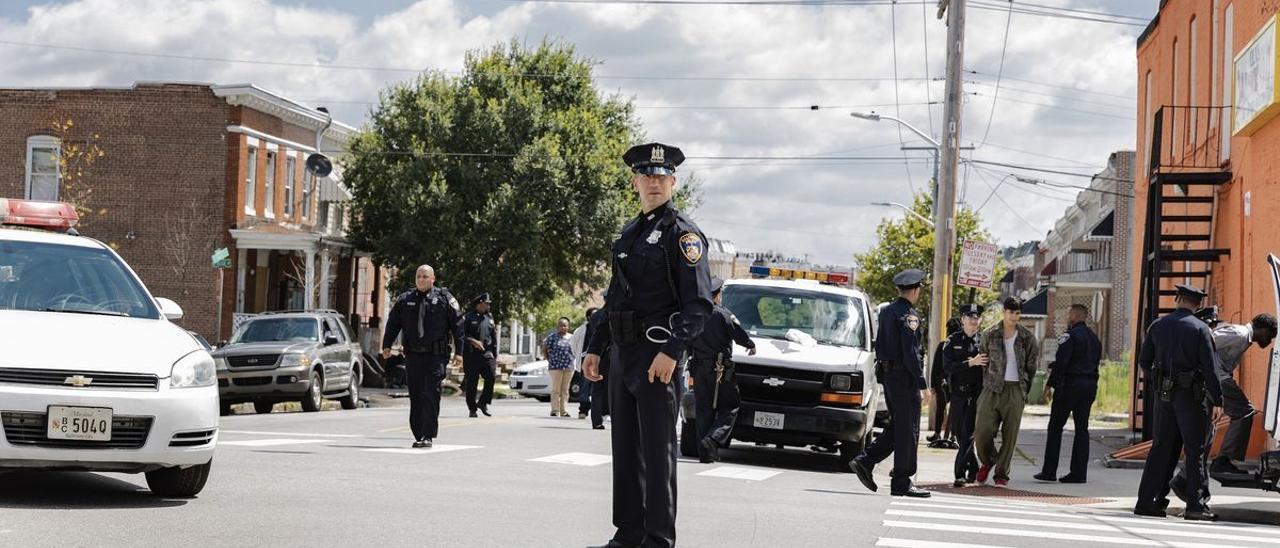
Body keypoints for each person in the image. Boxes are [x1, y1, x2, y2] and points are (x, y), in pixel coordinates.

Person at [582, 142, 713, 548]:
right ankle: (629, 532)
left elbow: (699, 306)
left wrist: (672, 352)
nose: (654, 183)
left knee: (658, 455)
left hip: (658, 356)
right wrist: (595, 346)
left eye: (662, 176)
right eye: (647, 176)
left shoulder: (684, 235)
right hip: (623, 354)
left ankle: (658, 539)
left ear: (673, 181)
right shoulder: (630, 233)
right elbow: (615, 297)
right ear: (635, 181)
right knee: (625, 451)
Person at [1133, 284, 1223, 521]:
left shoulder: (1157, 326)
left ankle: (1148, 501)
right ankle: (1196, 505)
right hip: (1192, 398)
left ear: (1177, 299)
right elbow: (1211, 369)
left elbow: (1144, 361)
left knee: (1161, 448)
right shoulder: (1201, 329)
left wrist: (1159, 381)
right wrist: (1218, 399)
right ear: (1198, 304)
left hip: (1164, 396)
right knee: (1195, 450)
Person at [1168, 312, 1277, 496]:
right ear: (1263, 329)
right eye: (1271, 335)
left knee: (1206, 433)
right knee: (1245, 412)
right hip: (1217, 379)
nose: (1270, 340)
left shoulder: (1244, 338)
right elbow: (1206, 341)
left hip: (1213, 379)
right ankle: (1224, 460)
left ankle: (1183, 479)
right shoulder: (1240, 334)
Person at [848, 268, 931, 498]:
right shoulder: (909, 316)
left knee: (899, 427)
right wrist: (922, 383)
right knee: (909, 430)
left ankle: (866, 461)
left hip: (890, 377)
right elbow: (911, 353)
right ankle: (902, 481)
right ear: (915, 290)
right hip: (905, 379)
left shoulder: (886, 312)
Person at [381, 265, 463, 449]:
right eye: (418, 276)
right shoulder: (405, 300)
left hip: (436, 356)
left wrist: (460, 352)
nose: (421, 279)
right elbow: (393, 323)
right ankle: (419, 433)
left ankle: (428, 435)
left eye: (425, 276)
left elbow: (458, 325)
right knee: (416, 395)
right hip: (413, 356)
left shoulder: (444, 299)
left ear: (433, 279)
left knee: (430, 394)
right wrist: (386, 344)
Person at [689, 276, 757, 463]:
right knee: (730, 405)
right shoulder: (723, 314)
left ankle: (706, 451)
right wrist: (750, 344)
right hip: (719, 368)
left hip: (698, 366)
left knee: (703, 408)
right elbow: (738, 334)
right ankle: (712, 438)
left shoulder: (694, 313)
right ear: (718, 295)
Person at [973, 297, 1039, 487]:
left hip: (1015, 389)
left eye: (1017, 313)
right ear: (1004, 312)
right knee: (982, 432)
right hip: (991, 388)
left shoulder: (1027, 337)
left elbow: (1031, 367)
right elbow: (983, 361)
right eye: (1010, 312)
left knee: (1010, 435)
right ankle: (988, 460)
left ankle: (1001, 473)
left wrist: (1024, 389)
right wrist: (988, 382)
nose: (1013, 316)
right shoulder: (990, 333)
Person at [1035, 304, 1102, 484]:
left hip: (1069, 386)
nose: (1067, 316)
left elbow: (1062, 363)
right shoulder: (1095, 338)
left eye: (1068, 313)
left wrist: (1050, 385)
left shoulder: (1069, 336)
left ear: (1074, 315)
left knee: (1055, 427)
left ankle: (1049, 471)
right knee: (1082, 429)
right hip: (1089, 386)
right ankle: (1079, 473)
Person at [944, 303, 986, 487]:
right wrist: (970, 363)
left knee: (968, 434)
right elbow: (948, 367)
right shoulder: (952, 341)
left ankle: (959, 474)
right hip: (958, 394)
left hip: (976, 395)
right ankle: (975, 469)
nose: (974, 320)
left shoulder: (984, 341)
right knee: (960, 436)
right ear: (962, 320)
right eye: (970, 317)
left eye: (976, 317)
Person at [457, 293, 498, 418]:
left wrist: (494, 355)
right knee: (472, 383)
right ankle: (472, 408)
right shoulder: (468, 317)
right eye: (486, 303)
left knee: (491, 376)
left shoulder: (489, 318)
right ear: (479, 303)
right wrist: (472, 341)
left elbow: (493, 337)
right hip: (471, 355)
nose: (488, 305)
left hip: (487, 354)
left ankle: (483, 402)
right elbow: (461, 335)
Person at [927, 318, 962, 449]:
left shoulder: (958, 346)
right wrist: (933, 385)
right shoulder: (943, 345)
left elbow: (935, 367)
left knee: (951, 409)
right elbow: (936, 366)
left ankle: (952, 435)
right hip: (942, 382)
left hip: (955, 382)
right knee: (944, 409)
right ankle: (938, 433)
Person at [572, 308, 601, 420]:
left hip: (600, 362)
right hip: (585, 362)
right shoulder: (581, 330)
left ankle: (599, 412)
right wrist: (580, 356)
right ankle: (583, 409)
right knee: (584, 387)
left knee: (598, 389)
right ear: (588, 317)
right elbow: (574, 346)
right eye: (593, 315)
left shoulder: (602, 327)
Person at [545, 317, 576, 418]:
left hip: (568, 366)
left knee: (565, 389)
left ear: (568, 327)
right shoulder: (552, 337)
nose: (563, 327)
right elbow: (545, 349)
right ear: (557, 326)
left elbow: (576, 349)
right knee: (556, 389)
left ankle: (564, 410)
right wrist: (549, 359)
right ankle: (555, 410)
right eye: (561, 325)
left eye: (565, 325)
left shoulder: (572, 337)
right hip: (555, 366)